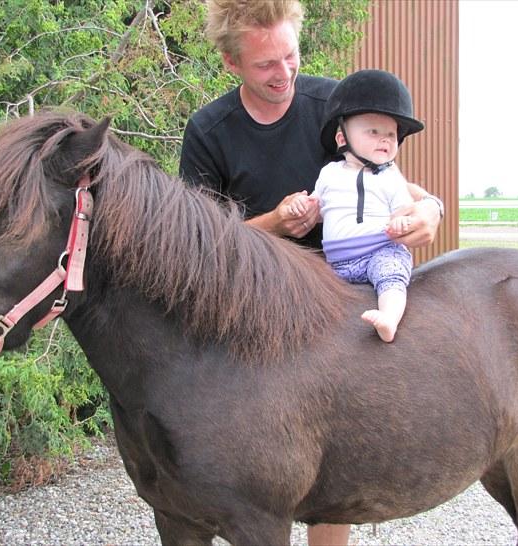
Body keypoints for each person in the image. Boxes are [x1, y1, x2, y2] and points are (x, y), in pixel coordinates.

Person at [179, 1, 442, 544]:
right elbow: (195, 251)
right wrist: (275, 222)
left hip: (340, 294)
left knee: (334, 453)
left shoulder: (332, 103)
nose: (284, 74)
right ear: (232, 63)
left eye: (290, 56)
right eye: (265, 65)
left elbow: (393, 181)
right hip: (249, 310)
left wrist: (430, 209)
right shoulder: (208, 131)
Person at [290, 70, 422, 342]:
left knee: (391, 276)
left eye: (391, 134)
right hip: (336, 261)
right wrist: (303, 206)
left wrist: (400, 221)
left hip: (379, 249)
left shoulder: (390, 176)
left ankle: (389, 318)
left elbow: (405, 207)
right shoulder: (329, 174)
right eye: (374, 132)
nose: (385, 139)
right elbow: (317, 206)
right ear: (342, 139)